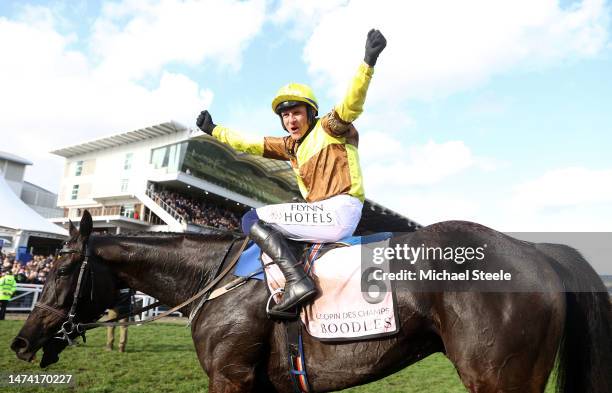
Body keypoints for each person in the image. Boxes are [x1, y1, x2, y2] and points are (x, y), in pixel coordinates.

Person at [195, 29, 387, 313]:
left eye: (296, 112)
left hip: (339, 209)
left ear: (310, 113)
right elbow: (250, 143)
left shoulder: (329, 127)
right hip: (325, 213)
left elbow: (351, 103)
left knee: (252, 218)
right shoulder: (289, 146)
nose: (290, 120)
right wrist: (215, 130)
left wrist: (367, 63)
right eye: (285, 115)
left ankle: (297, 281)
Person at [105, 288, 134, 352]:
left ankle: (109, 346)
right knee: (124, 327)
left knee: (110, 326)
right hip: (125, 308)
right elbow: (133, 293)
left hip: (114, 308)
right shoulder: (129, 284)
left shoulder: (116, 282)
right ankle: (122, 347)